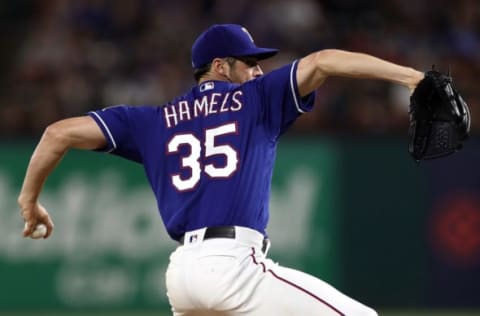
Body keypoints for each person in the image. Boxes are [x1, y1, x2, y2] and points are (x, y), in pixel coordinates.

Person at [18, 24, 424, 315]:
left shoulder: (153, 120)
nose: (259, 71)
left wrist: (29, 200)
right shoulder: (255, 99)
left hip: (182, 278)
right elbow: (324, 61)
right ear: (220, 66)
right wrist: (411, 78)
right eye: (249, 62)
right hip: (234, 268)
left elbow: (57, 133)